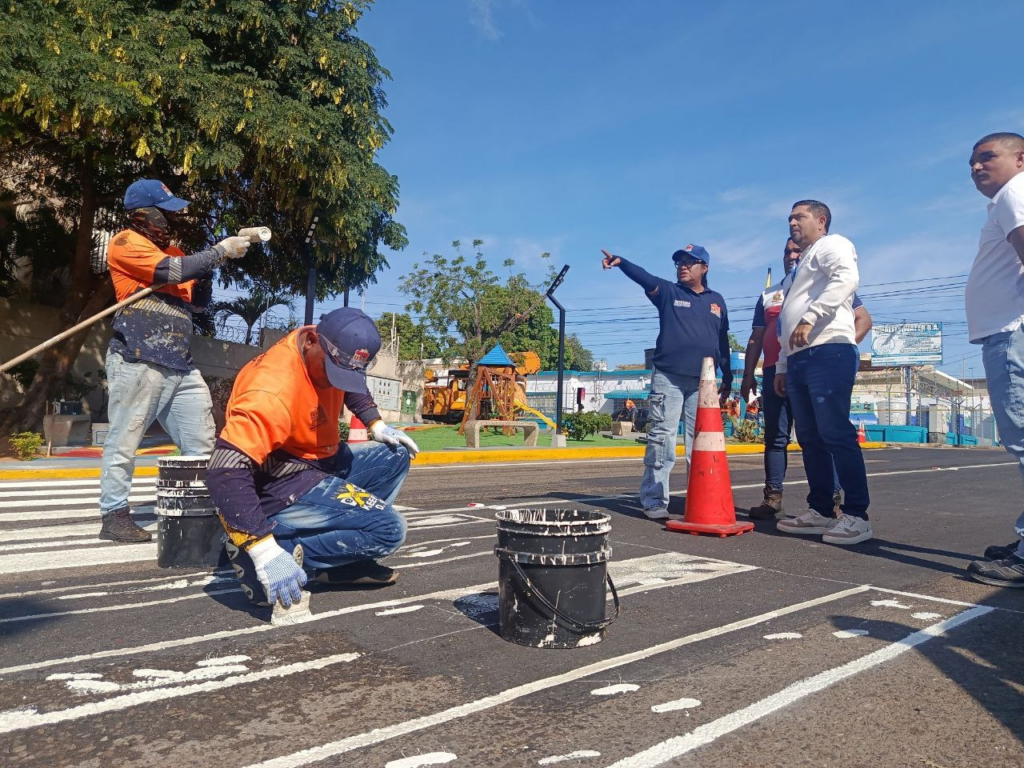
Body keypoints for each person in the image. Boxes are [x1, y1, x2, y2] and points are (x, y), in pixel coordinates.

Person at [206, 307, 421, 607]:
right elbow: (224, 471)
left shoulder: (329, 344)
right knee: (388, 530)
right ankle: (277, 548)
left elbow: (350, 385)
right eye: (333, 373)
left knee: (395, 455)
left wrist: (376, 423)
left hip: (321, 460)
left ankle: (339, 562)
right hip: (285, 478)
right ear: (311, 342)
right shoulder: (271, 391)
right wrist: (262, 549)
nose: (337, 383)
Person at [98, 179, 252, 543]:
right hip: (138, 358)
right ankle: (114, 514)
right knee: (124, 440)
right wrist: (218, 251)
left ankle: (200, 509)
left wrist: (212, 265)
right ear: (143, 214)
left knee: (202, 440)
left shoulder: (174, 251)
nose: (170, 220)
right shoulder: (125, 243)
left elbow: (197, 302)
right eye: (165, 213)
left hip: (179, 364)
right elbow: (171, 273)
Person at [742, 237, 873, 519]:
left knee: (826, 433)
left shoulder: (823, 282)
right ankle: (774, 497)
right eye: (787, 251)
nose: (792, 255)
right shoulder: (770, 294)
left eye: (797, 250)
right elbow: (757, 337)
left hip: (819, 364)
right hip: (778, 371)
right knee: (777, 438)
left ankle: (836, 500)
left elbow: (863, 319)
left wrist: (843, 344)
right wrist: (749, 374)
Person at [602, 244, 732, 520]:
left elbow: (723, 343)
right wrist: (621, 261)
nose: (682, 266)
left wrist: (728, 376)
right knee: (662, 438)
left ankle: (701, 499)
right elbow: (645, 277)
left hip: (704, 384)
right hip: (668, 378)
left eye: (689, 262)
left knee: (701, 443)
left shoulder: (717, 301)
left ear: (704, 268)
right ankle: (654, 499)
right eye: (679, 263)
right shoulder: (670, 293)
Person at [772, 201, 873, 545]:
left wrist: (812, 316)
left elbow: (847, 278)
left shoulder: (833, 244)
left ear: (821, 220)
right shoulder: (797, 271)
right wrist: (783, 366)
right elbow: (785, 324)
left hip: (829, 350)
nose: (792, 222)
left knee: (835, 432)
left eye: (799, 216)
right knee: (810, 438)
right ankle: (820, 510)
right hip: (799, 360)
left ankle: (857, 515)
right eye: (789, 217)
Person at [963, 132, 1024, 588]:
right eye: (972, 162)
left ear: (1020, 160)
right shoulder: (1007, 199)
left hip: (1011, 335)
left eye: (988, 157)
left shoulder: (1015, 192)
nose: (977, 168)